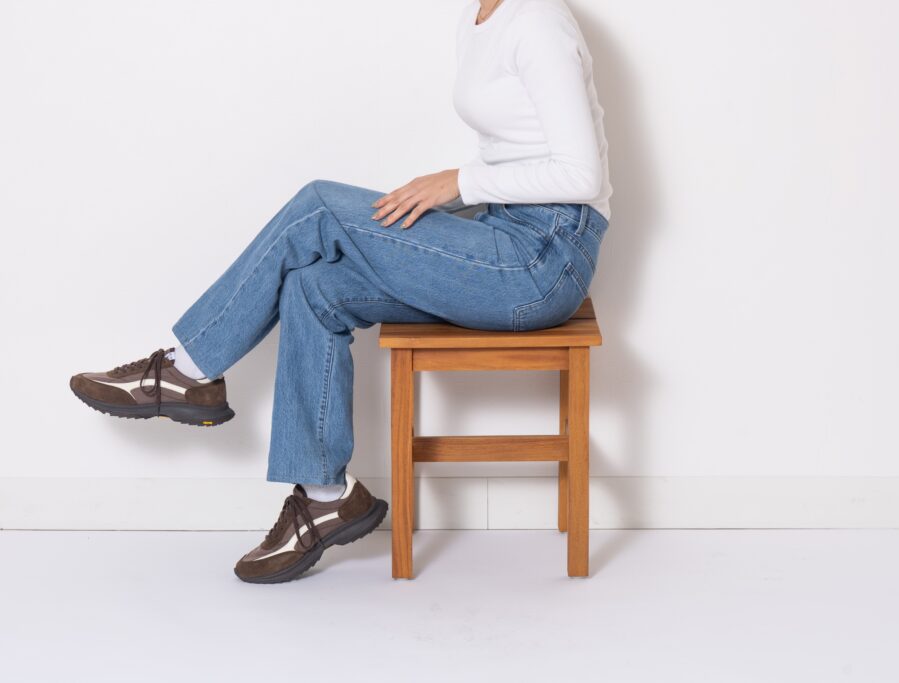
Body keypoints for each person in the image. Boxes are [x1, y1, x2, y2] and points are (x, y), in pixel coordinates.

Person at [69, 0, 612, 584]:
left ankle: (188, 368)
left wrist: (456, 182)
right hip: (496, 232)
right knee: (314, 285)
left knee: (318, 206)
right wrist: (446, 205)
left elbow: (582, 175)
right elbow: (514, 146)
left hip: (544, 259)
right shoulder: (477, 18)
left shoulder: (538, 21)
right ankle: (326, 495)